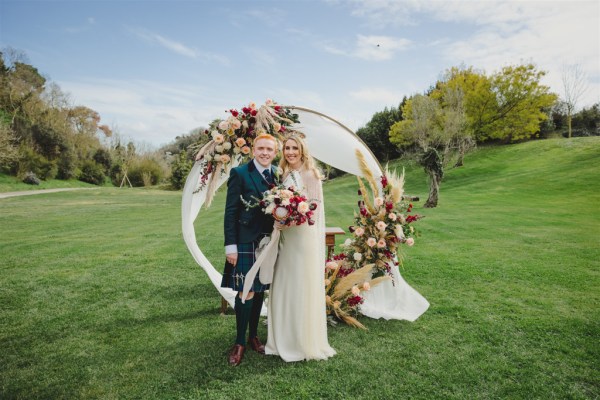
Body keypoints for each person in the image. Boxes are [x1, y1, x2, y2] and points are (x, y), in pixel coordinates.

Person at [265, 134, 336, 362]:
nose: (290, 152)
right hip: (286, 237)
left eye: (294, 148)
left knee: (300, 283)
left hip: (303, 237)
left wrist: (293, 218)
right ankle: (282, 337)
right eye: (287, 148)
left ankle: (301, 339)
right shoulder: (282, 174)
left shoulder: (311, 174)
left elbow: (314, 208)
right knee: (284, 282)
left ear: (302, 150)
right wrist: (279, 215)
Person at [221, 133, 278, 366]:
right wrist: (230, 246)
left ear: (275, 152)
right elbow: (231, 212)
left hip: (269, 241)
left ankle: (254, 336)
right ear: (253, 149)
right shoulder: (240, 173)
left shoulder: (278, 174)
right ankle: (239, 342)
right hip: (244, 242)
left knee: (260, 290)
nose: (265, 153)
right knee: (246, 292)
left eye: (269, 149)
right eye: (261, 148)